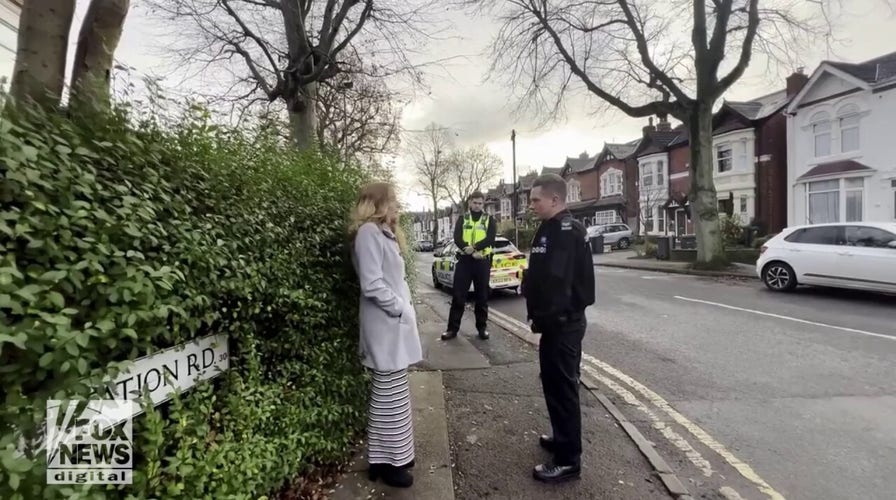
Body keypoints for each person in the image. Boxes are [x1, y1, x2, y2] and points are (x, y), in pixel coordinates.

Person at [521, 173, 595, 483]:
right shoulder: (552, 227)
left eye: (536, 199)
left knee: (563, 389)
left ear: (555, 199)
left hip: (562, 325)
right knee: (552, 384)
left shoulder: (566, 230)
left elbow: (558, 284)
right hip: (555, 324)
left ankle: (568, 461)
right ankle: (561, 437)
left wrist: (544, 319)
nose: (531, 204)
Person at [349, 182, 423, 489]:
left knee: (391, 395)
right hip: (385, 324)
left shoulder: (383, 233)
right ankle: (388, 462)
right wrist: (400, 310)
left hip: (391, 324)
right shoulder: (368, 233)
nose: (397, 206)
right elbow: (372, 284)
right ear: (377, 203)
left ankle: (390, 457)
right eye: (392, 200)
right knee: (388, 397)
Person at [442, 191, 497, 341]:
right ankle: (452, 329)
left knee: (482, 297)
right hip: (465, 261)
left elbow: (491, 238)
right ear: (470, 203)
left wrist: (475, 247)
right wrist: (467, 248)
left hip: (481, 261)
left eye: (480, 203)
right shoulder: (463, 218)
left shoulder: (489, 219)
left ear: (483, 204)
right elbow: (457, 237)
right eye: (475, 203)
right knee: (458, 296)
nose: (477, 206)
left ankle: (482, 328)